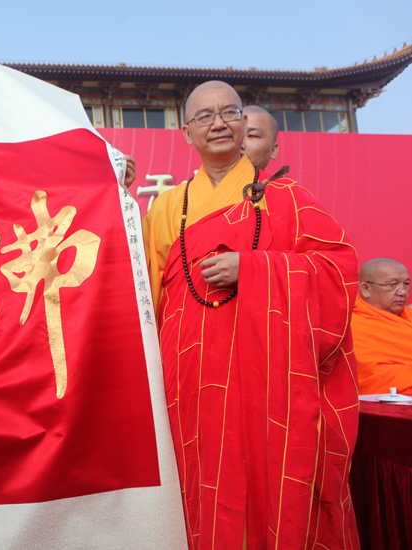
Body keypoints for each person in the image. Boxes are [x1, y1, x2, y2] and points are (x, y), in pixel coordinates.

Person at [143, 81, 359, 549]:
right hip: (189, 379)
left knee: (268, 475)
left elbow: (338, 273)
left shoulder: (288, 198)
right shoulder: (164, 207)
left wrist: (256, 268)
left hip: (267, 380)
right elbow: (147, 303)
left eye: (229, 112)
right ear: (186, 133)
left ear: (245, 123)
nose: (218, 123)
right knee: (196, 483)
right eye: (204, 116)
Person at [351, 258, 412, 394]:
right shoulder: (351, 325)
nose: (402, 292)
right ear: (366, 289)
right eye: (393, 285)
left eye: (406, 284)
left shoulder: (409, 316)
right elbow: (373, 375)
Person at [241, 104, 279, 170]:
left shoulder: (278, 180)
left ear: (273, 150)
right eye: (234, 135)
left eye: (252, 135)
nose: (240, 144)